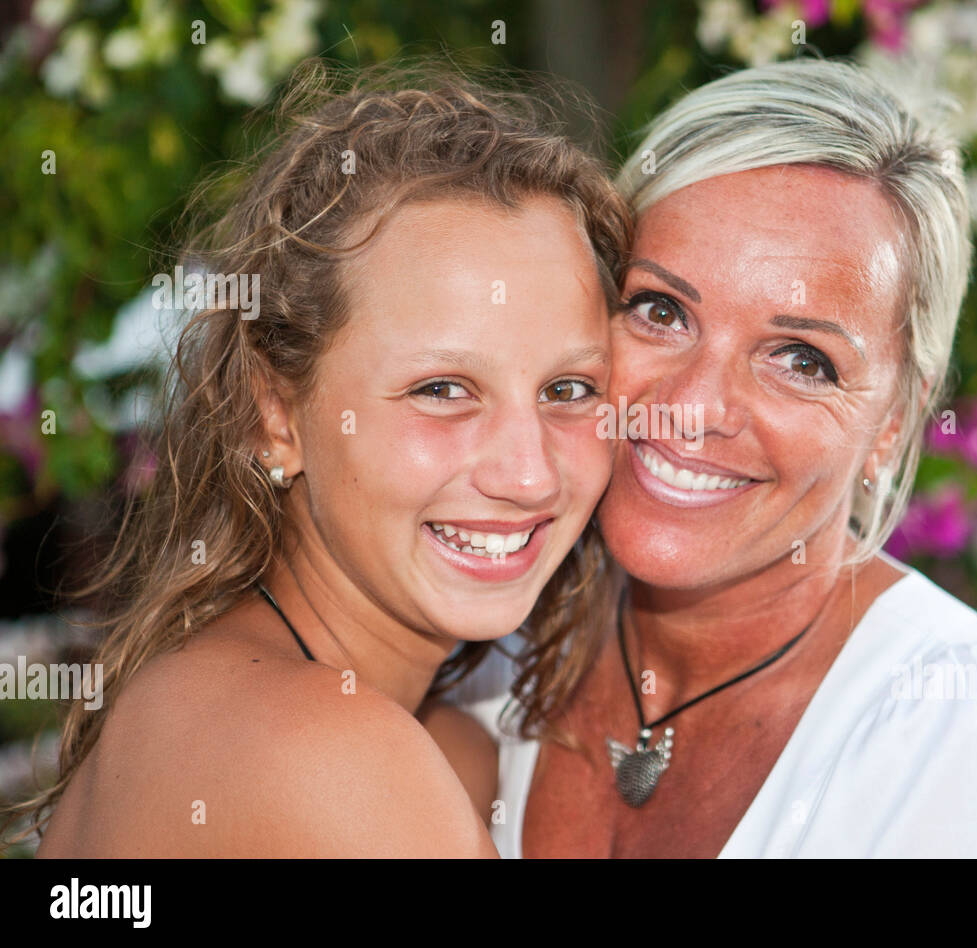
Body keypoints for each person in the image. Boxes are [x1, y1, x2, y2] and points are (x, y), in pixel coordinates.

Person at [443, 58, 977, 858]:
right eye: (661, 310)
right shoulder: (490, 631)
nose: (695, 406)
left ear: (895, 419)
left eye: (802, 360)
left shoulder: (973, 741)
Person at [7, 61, 630, 857]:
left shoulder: (263, 705)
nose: (530, 473)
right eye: (442, 388)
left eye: (569, 388)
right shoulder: (331, 753)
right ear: (275, 415)